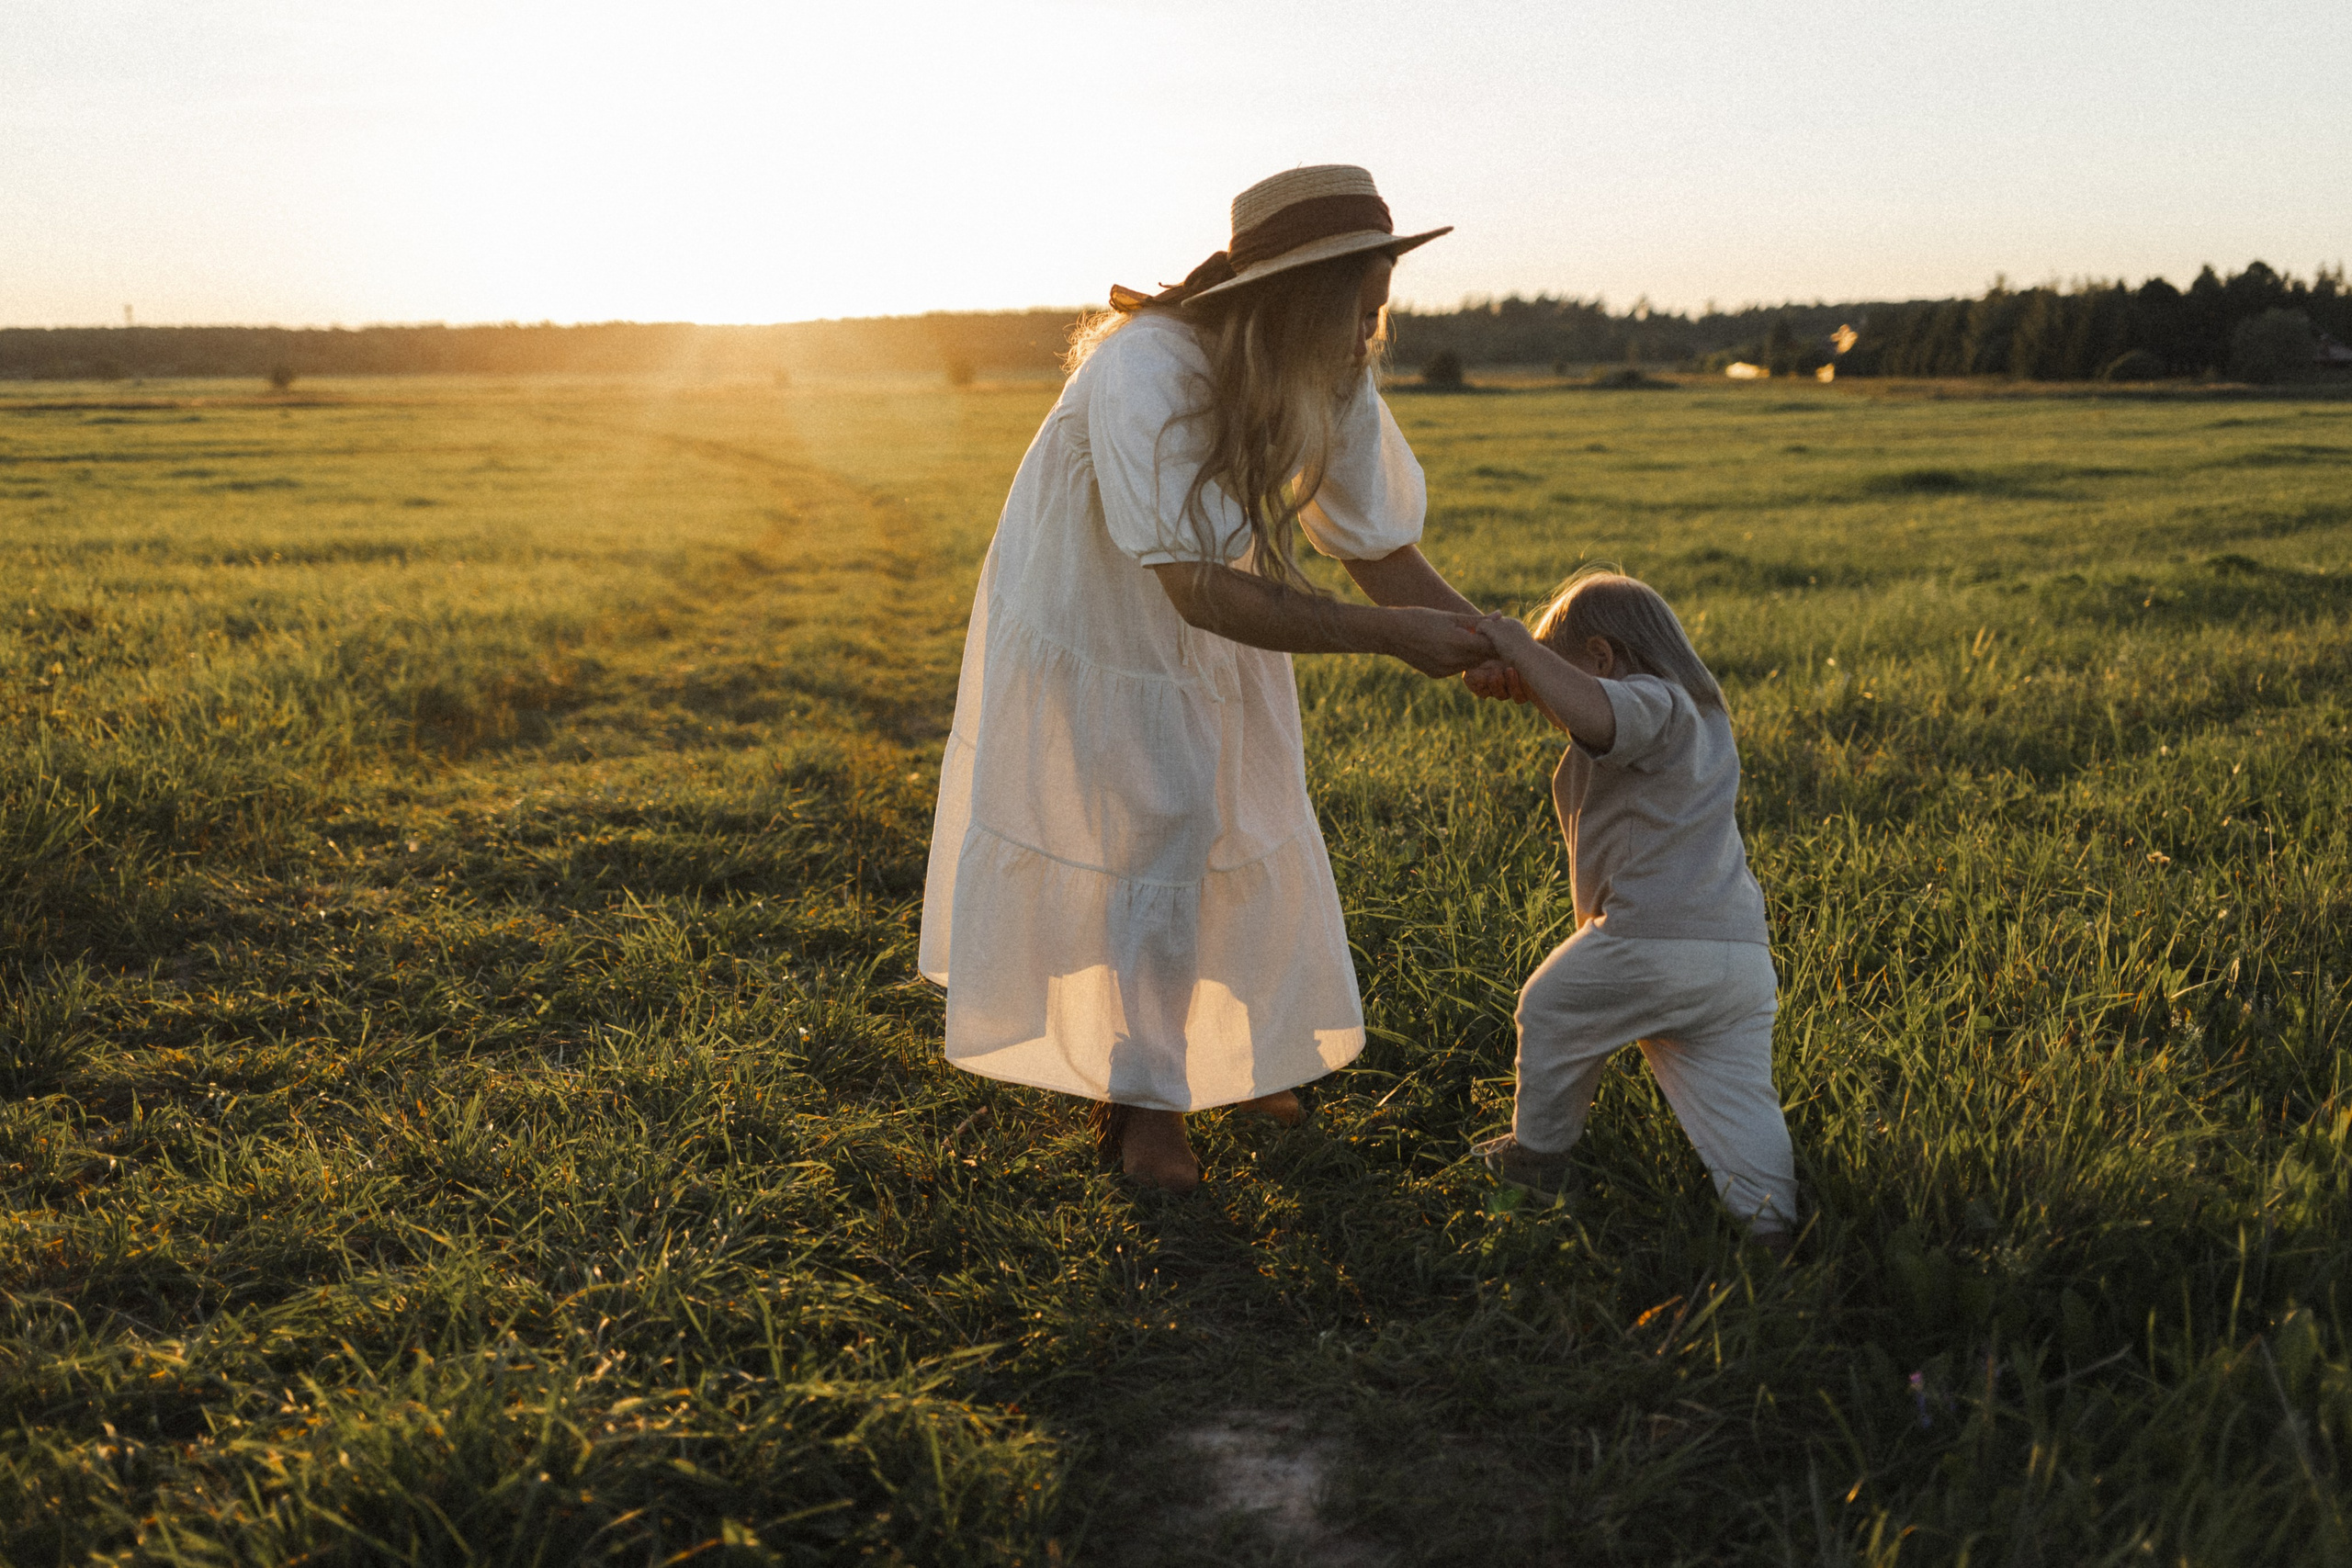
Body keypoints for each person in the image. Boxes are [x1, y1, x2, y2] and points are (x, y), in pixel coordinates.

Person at [920, 164, 1513, 1192]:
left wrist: (1500, 648)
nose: (1374, 334)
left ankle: (1238, 1065)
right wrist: (1387, 641)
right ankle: (1141, 1102)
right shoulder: (1145, 368)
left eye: (1382, 309)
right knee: (1159, 823)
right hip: (1094, 616)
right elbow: (1191, 585)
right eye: (1363, 310)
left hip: (1217, 611)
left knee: (1240, 811)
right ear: (1300, 298)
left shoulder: (1325, 366)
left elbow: (1372, 545)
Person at [1471, 570, 1798, 1249]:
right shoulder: (1701, 719)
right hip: (1737, 958)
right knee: (1736, 1100)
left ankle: (1537, 1165)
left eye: (1563, 670)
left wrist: (1518, 647)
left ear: (1601, 656)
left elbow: (1601, 715)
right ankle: (1770, 1221)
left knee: (1550, 1005)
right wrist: (1529, 680)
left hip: (1652, 940)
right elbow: (1589, 718)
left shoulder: (1653, 702)